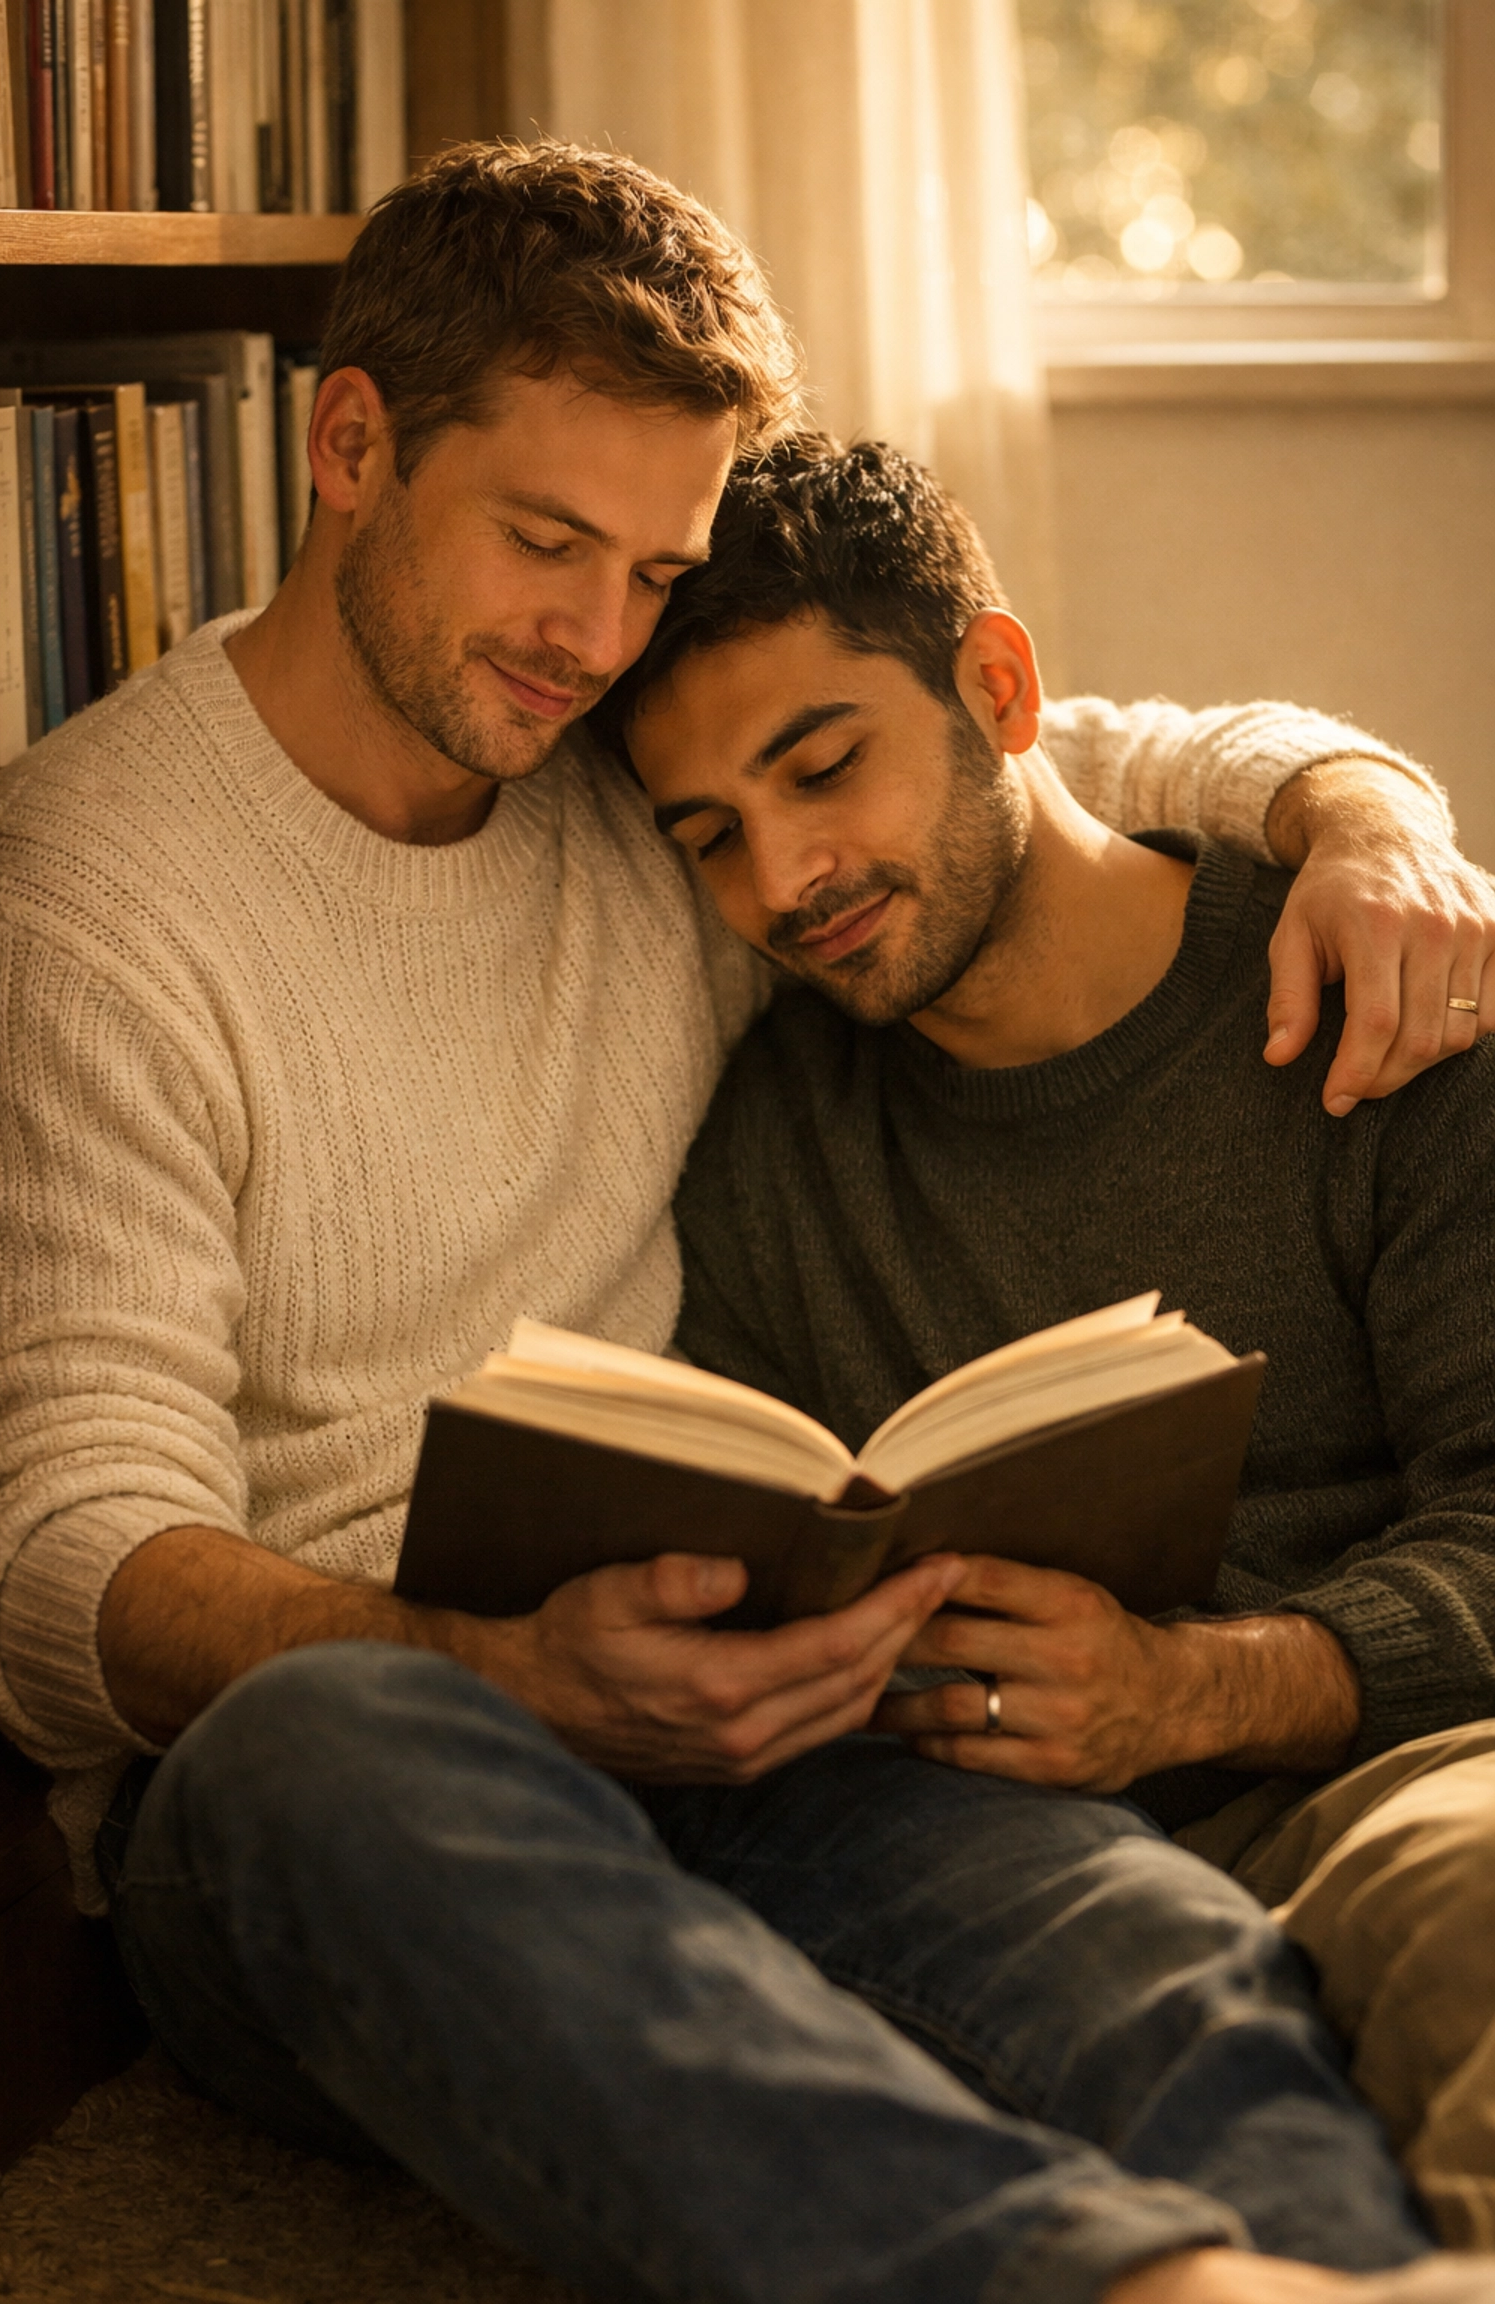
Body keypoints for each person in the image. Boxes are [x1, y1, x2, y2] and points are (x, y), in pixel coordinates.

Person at [0, 143, 1494, 2304]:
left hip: (749, 1702)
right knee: (348, 1762)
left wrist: (1367, 812)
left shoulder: (632, 783)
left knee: (1147, 1953)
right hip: (353, 1778)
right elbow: (43, 1559)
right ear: (347, 444)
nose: (598, 637)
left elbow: (1051, 760)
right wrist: (488, 1665)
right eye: (547, 542)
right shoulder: (92, 894)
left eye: (650, 568)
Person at [599, 432, 1495, 2257]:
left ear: (998, 689)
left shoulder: (1378, 991)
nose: (784, 880)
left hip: (1422, 1768)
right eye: (711, 835)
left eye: (823, 765)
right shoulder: (773, 1141)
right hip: (1014, 1865)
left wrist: (1198, 1690)